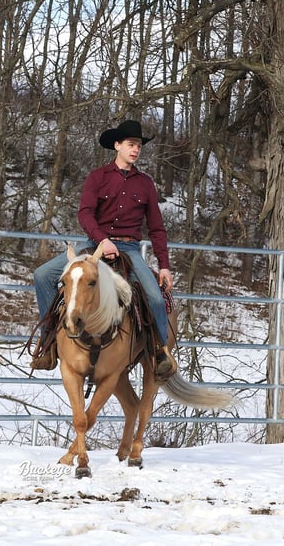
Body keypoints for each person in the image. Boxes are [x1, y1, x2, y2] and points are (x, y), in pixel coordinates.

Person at [31, 119, 178, 381]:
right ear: (117, 145)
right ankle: (48, 342)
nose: (136, 150)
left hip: (130, 249)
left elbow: (156, 228)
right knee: (43, 275)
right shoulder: (97, 177)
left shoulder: (145, 184)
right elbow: (85, 213)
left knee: (155, 297)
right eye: (131, 144)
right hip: (94, 245)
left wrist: (164, 265)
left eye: (139, 146)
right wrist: (101, 240)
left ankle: (160, 352)